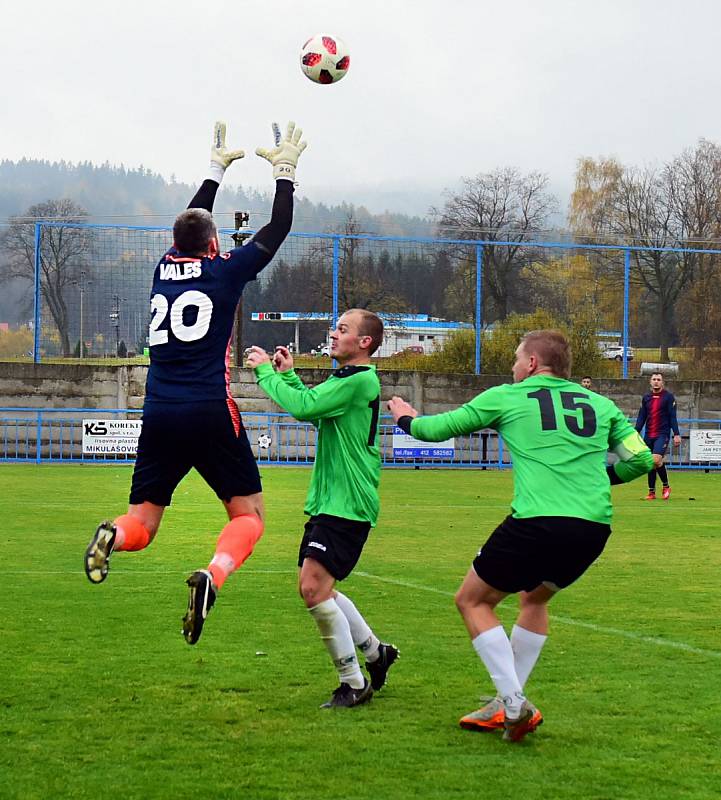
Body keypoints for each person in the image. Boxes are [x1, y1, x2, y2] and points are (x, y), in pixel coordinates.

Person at [84, 120, 307, 646]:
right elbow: (275, 231)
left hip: (158, 410)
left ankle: (112, 534)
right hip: (209, 409)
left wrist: (213, 172)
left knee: (143, 520)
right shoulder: (225, 270)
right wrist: (285, 174)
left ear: (177, 244)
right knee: (249, 514)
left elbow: (188, 227)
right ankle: (214, 573)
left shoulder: (164, 267)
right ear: (213, 244)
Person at [388, 330, 653, 742]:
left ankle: (513, 702)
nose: (512, 367)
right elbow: (640, 460)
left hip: (536, 522)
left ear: (532, 364)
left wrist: (405, 415)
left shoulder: (508, 396)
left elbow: (435, 430)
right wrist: (596, 479)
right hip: (592, 528)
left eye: (516, 359)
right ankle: (504, 702)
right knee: (535, 598)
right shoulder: (601, 406)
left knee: (472, 600)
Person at [245, 309, 399, 708]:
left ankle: (353, 683)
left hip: (348, 502)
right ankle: (377, 654)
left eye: (342, 330)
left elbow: (305, 408)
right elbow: (319, 413)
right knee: (320, 588)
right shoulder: (348, 379)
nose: (333, 334)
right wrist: (289, 377)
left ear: (364, 343)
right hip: (332, 500)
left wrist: (266, 373)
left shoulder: (359, 379)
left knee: (313, 589)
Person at [635, 372, 681, 500]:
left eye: (658, 379)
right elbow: (641, 417)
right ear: (650, 382)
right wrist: (636, 432)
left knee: (655, 460)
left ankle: (666, 486)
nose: (656, 381)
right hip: (649, 435)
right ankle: (651, 492)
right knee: (651, 463)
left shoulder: (668, 397)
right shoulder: (646, 398)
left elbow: (672, 417)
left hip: (662, 434)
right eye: (654, 379)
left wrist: (676, 434)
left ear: (662, 382)